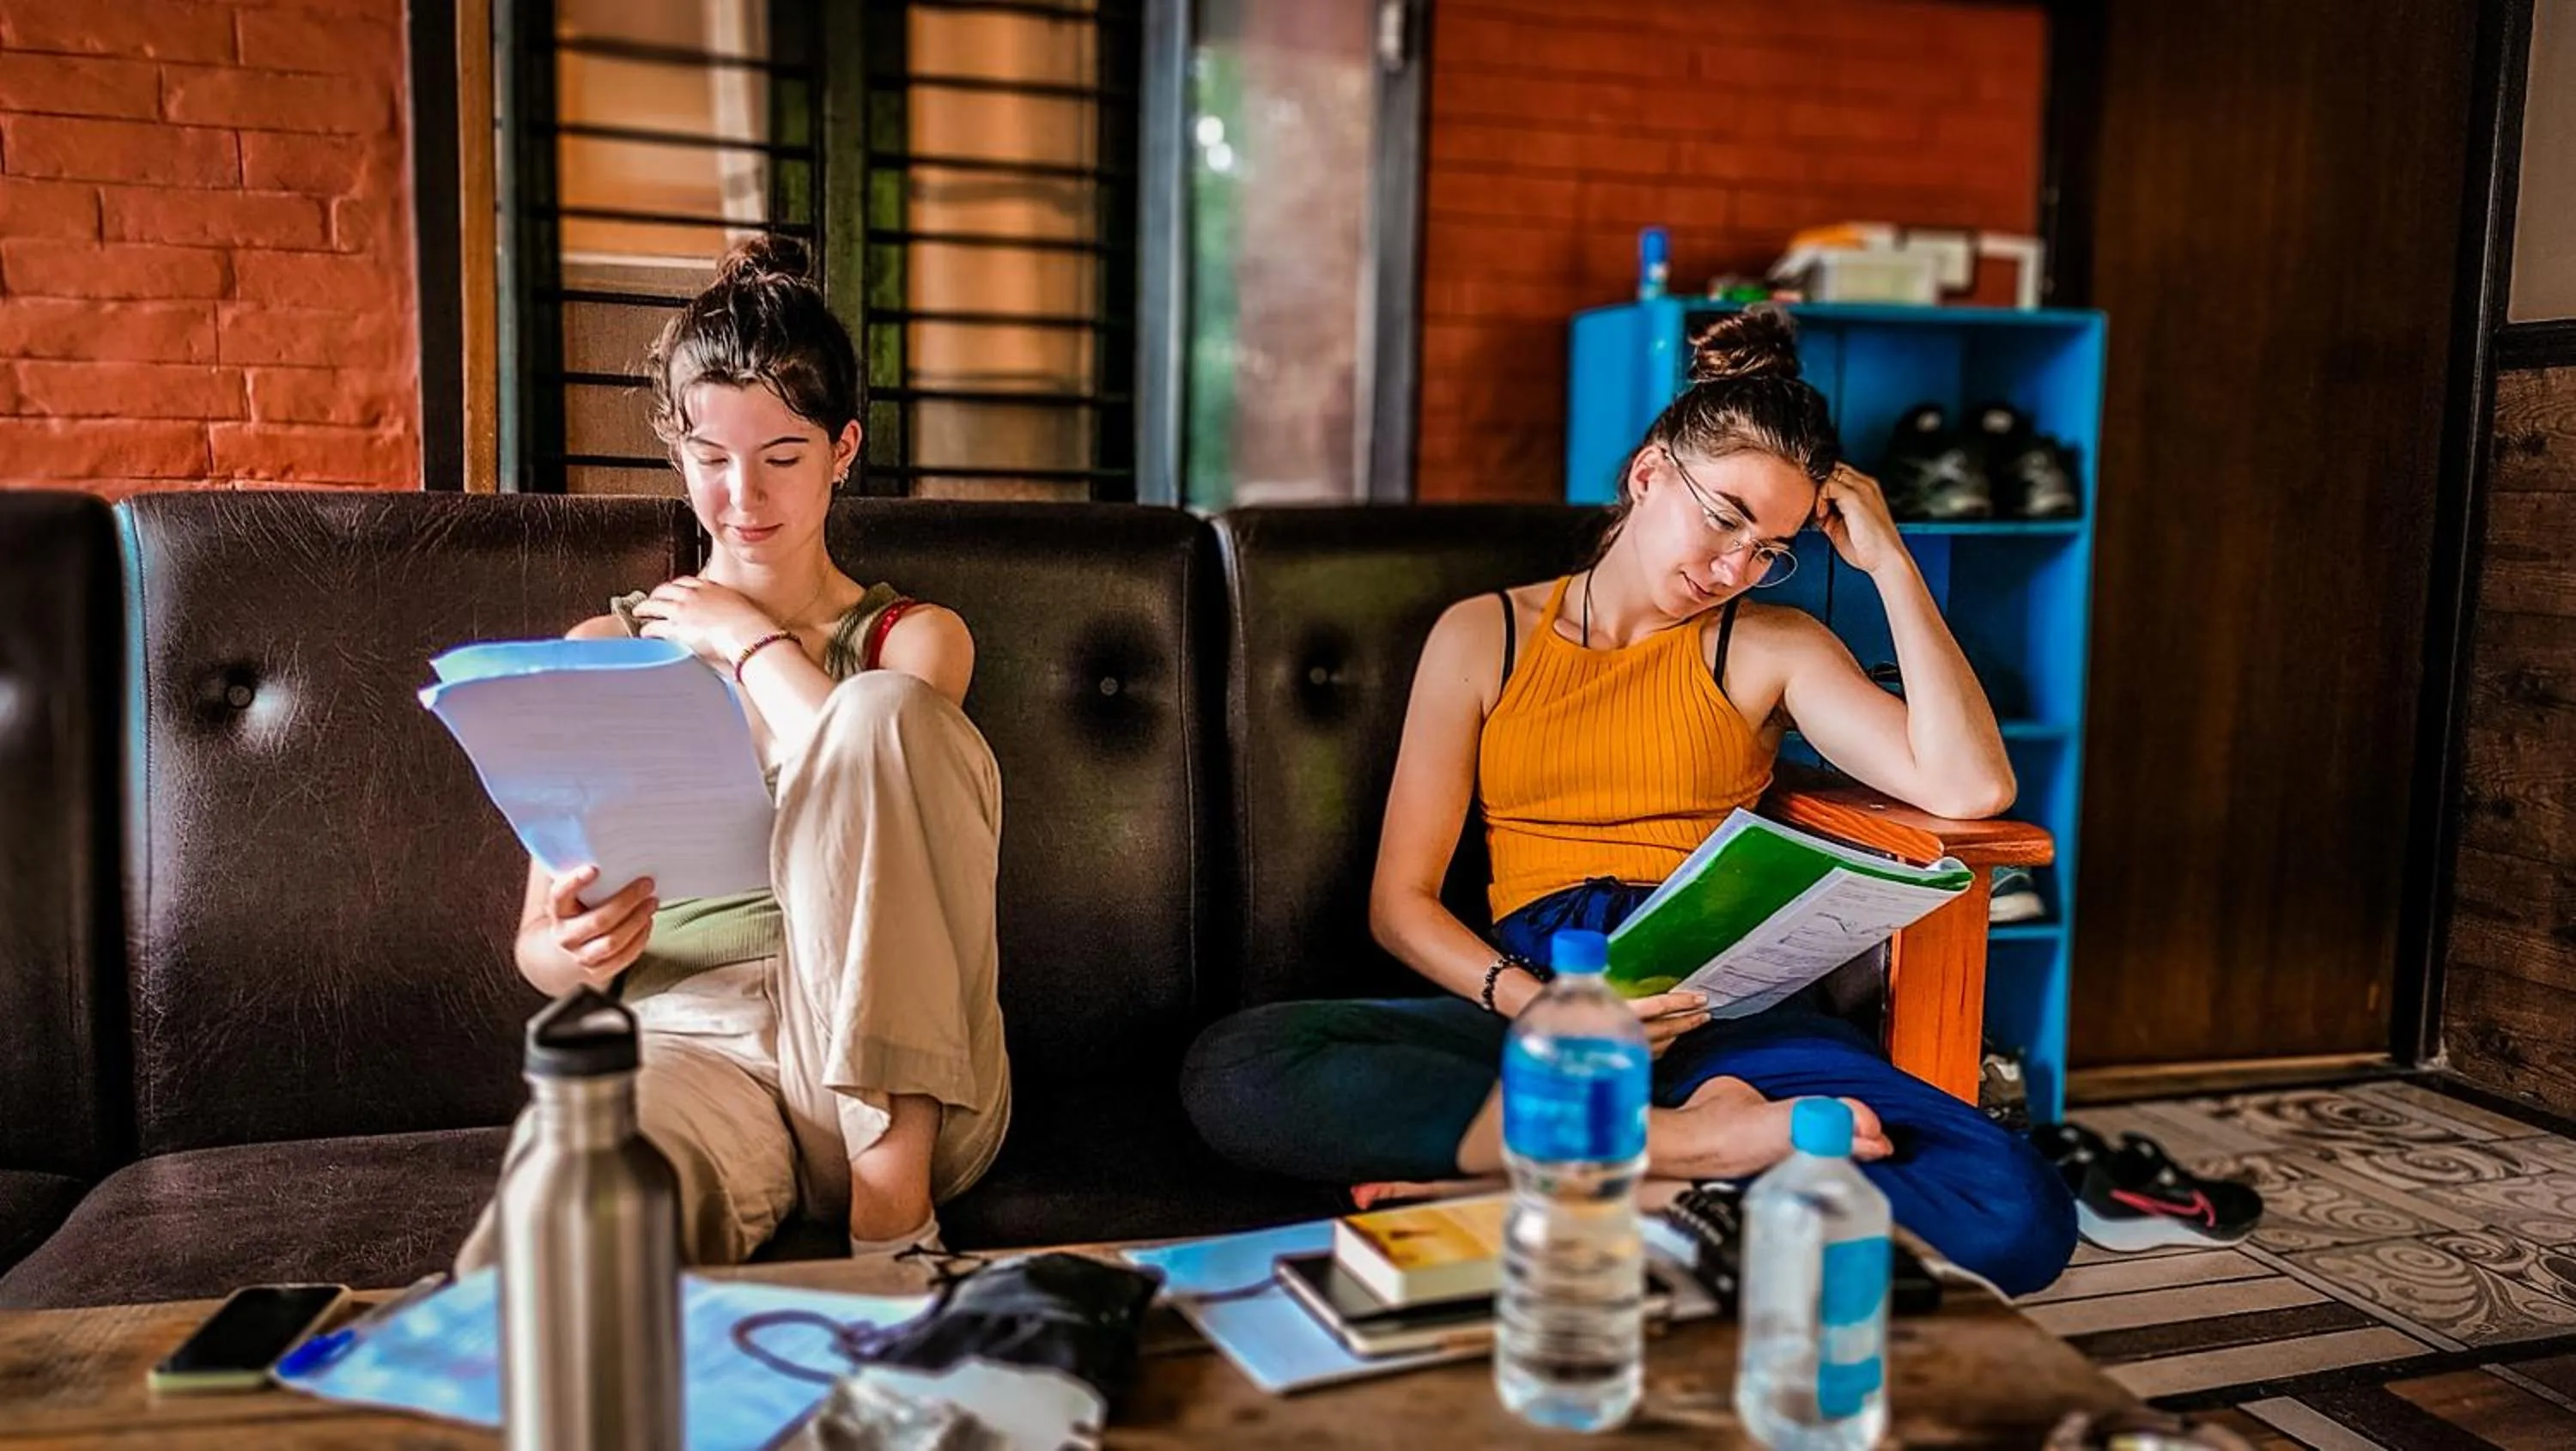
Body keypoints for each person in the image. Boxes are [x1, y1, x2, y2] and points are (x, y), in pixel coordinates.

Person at [1182, 308, 2076, 1295]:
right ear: (1650, 474)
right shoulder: (1486, 636)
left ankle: (1587, 1171)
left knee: (2020, 1219)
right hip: (1546, 992)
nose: (1735, 567)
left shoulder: (1769, 645)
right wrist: (1544, 1009)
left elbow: (1973, 786)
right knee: (1239, 1066)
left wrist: (1893, 565)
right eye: (1726, 516)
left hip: (1735, 1008)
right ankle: (1680, 1153)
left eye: (1772, 547)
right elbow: (1401, 902)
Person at [459, 235, 1008, 1267]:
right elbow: (538, 946)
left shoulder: (915, 642)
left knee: (880, 715)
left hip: (906, 1080)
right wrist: (572, 950)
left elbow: (857, 762)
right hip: (692, 1043)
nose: (743, 500)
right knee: (562, 1226)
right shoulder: (606, 651)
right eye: (711, 461)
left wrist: (743, 640)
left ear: (844, 449)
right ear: (677, 451)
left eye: (782, 458)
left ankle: (895, 1233)